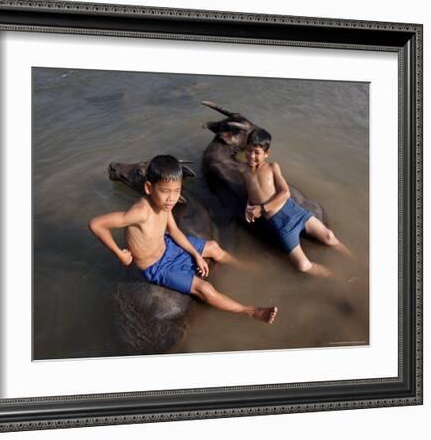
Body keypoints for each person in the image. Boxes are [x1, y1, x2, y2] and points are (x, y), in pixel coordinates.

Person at [89, 154, 277, 324]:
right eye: (165, 191)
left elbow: (174, 232)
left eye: (176, 191)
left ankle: (245, 267)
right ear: (148, 188)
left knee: (213, 247)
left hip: (169, 247)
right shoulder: (139, 212)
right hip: (157, 266)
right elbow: (96, 224)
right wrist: (119, 254)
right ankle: (250, 311)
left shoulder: (165, 205)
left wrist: (195, 255)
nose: (171, 198)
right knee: (204, 288)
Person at [241, 127, 351, 277]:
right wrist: (248, 206)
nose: (251, 156)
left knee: (329, 236)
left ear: (267, 154)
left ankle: (352, 260)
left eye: (257, 153)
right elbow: (250, 192)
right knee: (303, 266)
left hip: (295, 212)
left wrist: (262, 209)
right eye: (248, 150)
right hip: (280, 225)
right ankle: (335, 277)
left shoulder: (272, 167)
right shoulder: (244, 173)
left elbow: (285, 192)